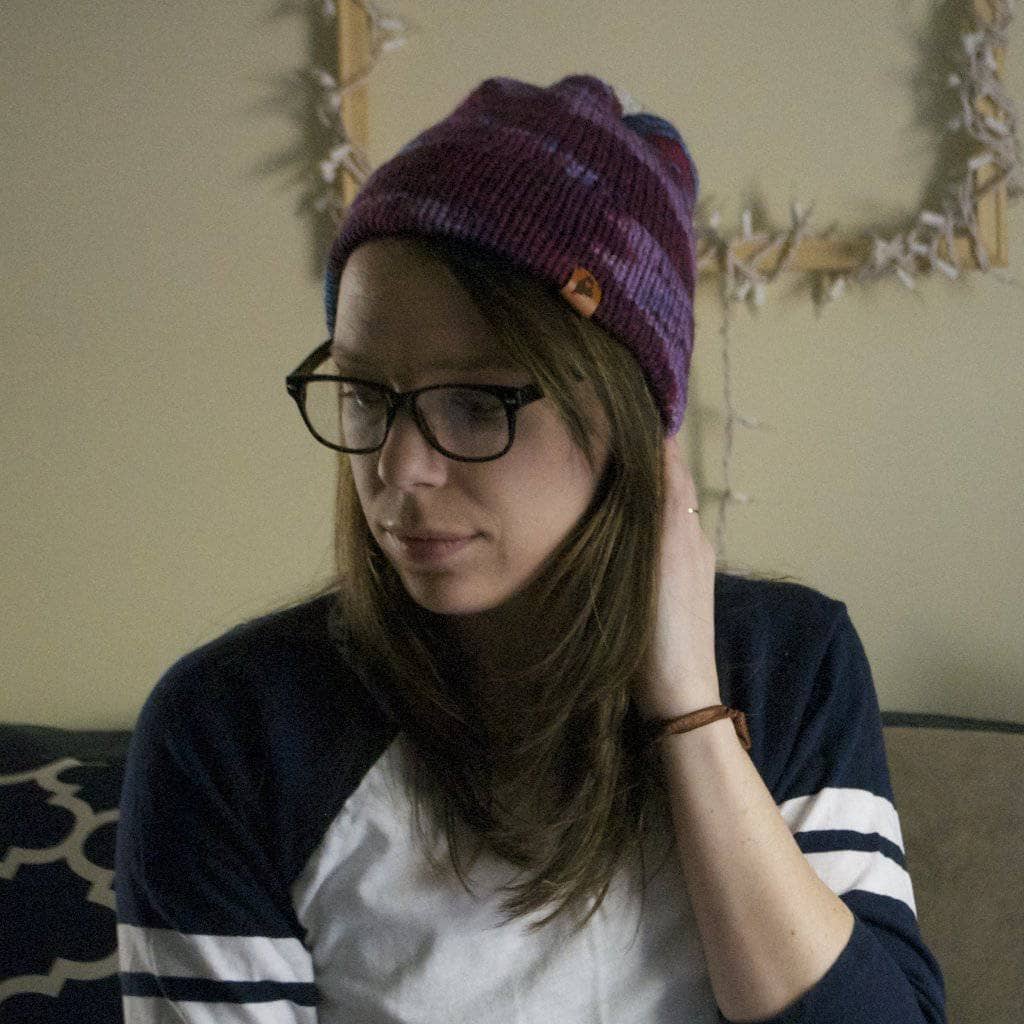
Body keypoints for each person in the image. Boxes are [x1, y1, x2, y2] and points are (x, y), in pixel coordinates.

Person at [115, 74, 947, 1023]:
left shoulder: (790, 665)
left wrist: (687, 706)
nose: (401, 467)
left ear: (627, 424)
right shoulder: (232, 732)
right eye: (364, 393)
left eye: (475, 403)